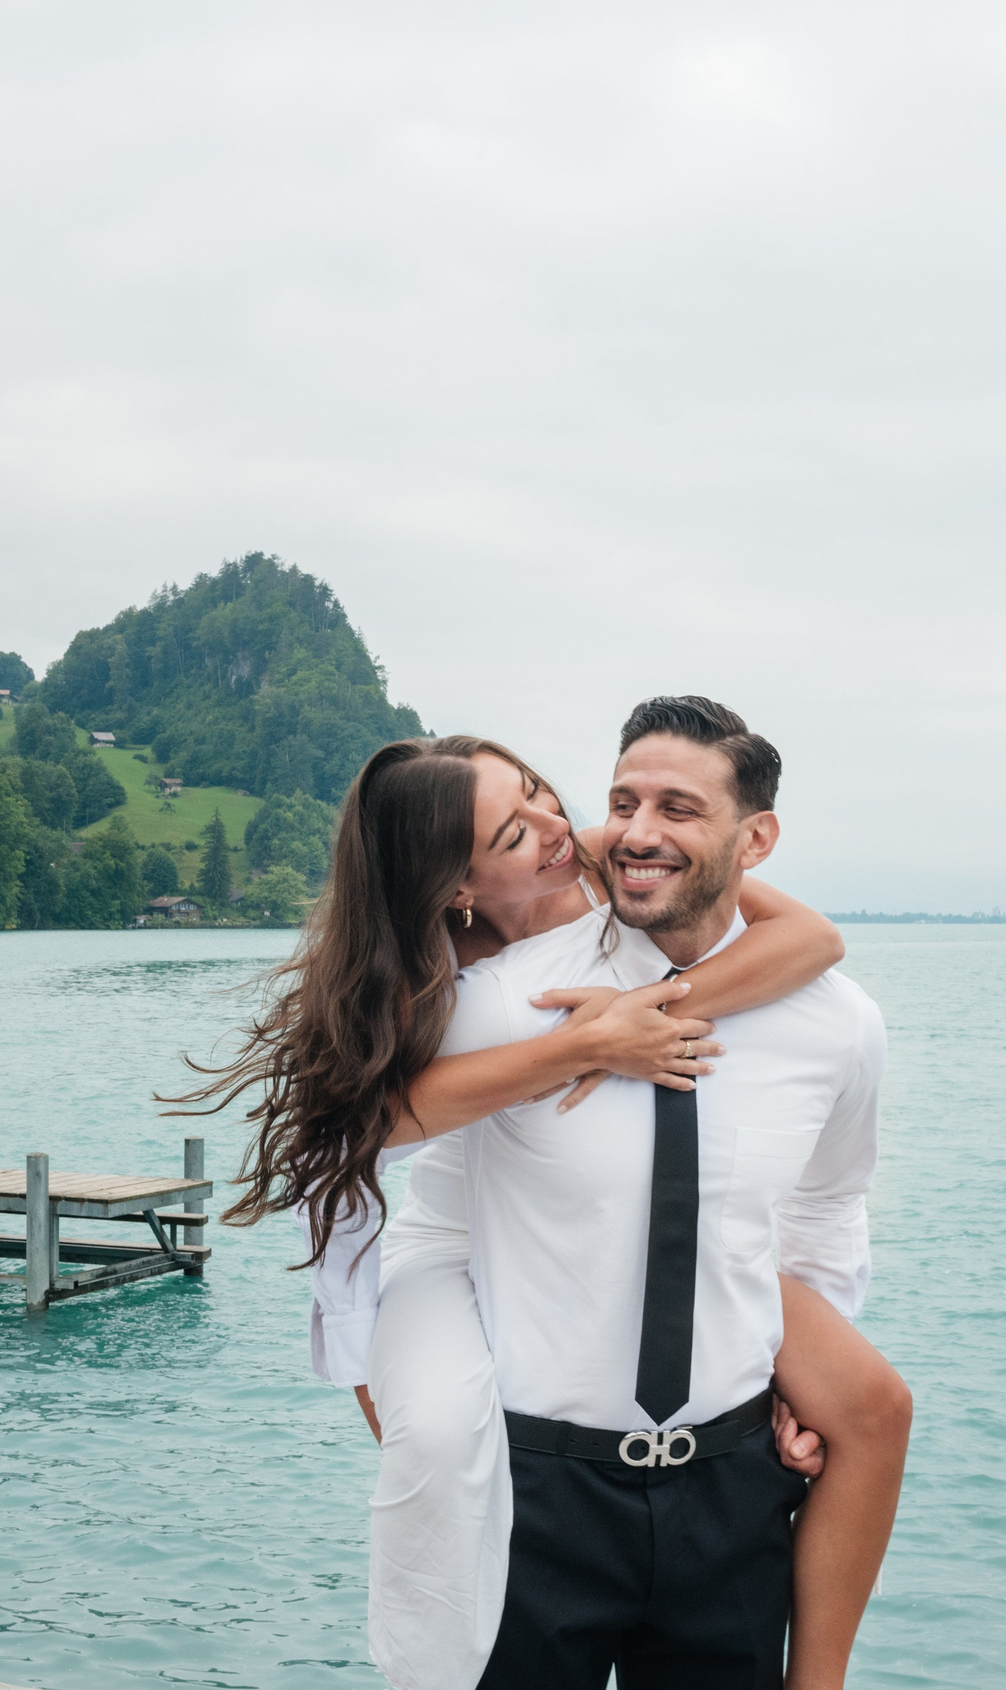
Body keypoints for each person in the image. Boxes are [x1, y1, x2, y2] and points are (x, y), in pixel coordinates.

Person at [190, 705, 908, 1688]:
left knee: (875, 1406)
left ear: (756, 838)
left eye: (675, 807)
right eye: (622, 802)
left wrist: (799, 1380)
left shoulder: (836, 1021)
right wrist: (581, 1043)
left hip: (728, 1493)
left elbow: (828, 1200)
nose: (614, 830)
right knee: (435, 1428)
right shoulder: (496, 1001)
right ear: (461, 885)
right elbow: (352, 1124)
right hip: (539, 1487)